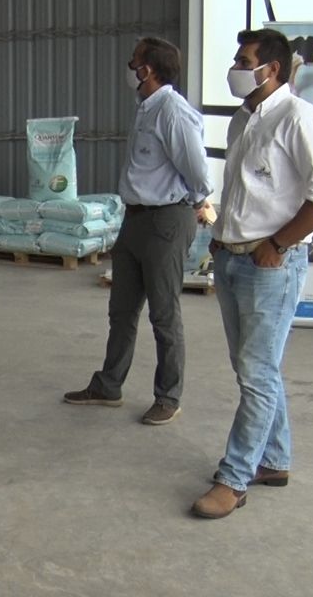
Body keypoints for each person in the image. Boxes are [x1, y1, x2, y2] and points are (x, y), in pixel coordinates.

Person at [191, 29, 313, 519]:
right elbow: (244, 190)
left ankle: (234, 478)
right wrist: (221, 237)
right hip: (233, 257)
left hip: (270, 266)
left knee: (256, 373)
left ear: (272, 68)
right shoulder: (245, 120)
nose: (235, 67)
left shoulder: (301, 119)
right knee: (252, 368)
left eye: (244, 60)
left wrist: (277, 245)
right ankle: (274, 460)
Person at [64, 37, 213, 425]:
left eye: (134, 62)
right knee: (122, 310)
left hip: (166, 220)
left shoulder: (172, 111)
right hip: (136, 219)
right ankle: (108, 385)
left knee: (164, 314)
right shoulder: (147, 108)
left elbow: (198, 172)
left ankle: (168, 396)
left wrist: (194, 203)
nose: (129, 68)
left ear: (147, 70)